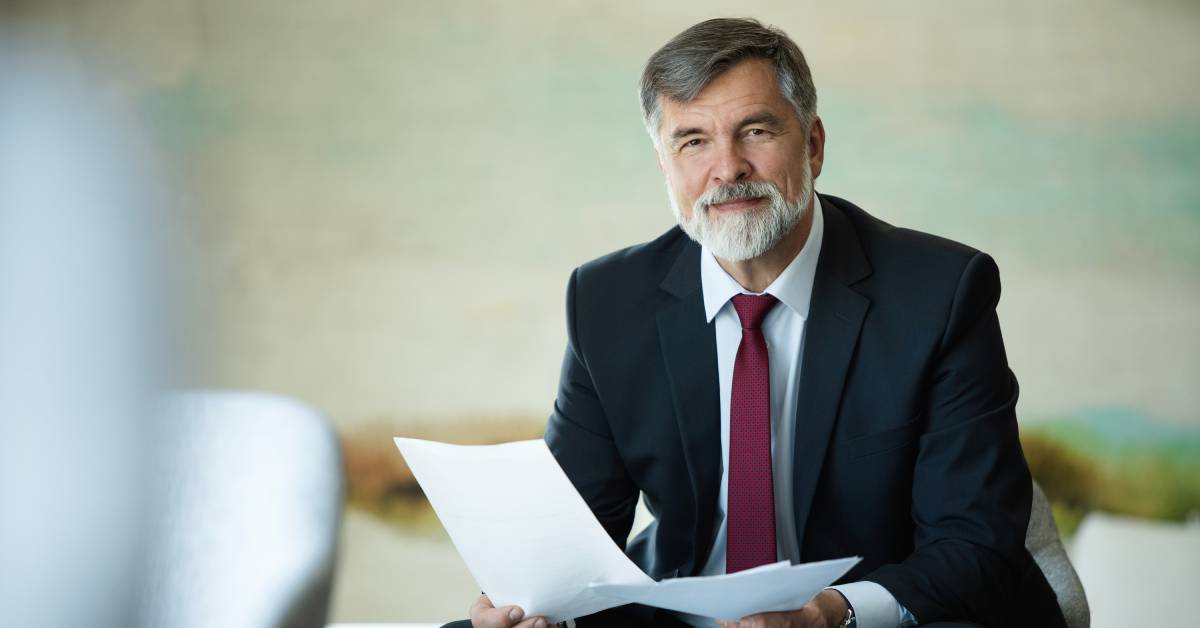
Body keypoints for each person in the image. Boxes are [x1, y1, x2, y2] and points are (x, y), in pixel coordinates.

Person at [455, 17, 1064, 628]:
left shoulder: (939, 293)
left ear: (815, 144)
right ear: (664, 164)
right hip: (680, 611)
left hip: (869, 612)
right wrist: (525, 602)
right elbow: (571, 536)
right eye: (693, 141)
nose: (728, 168)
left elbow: (973, 543)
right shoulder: (607, 299)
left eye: (756, 130)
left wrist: (830, 614)